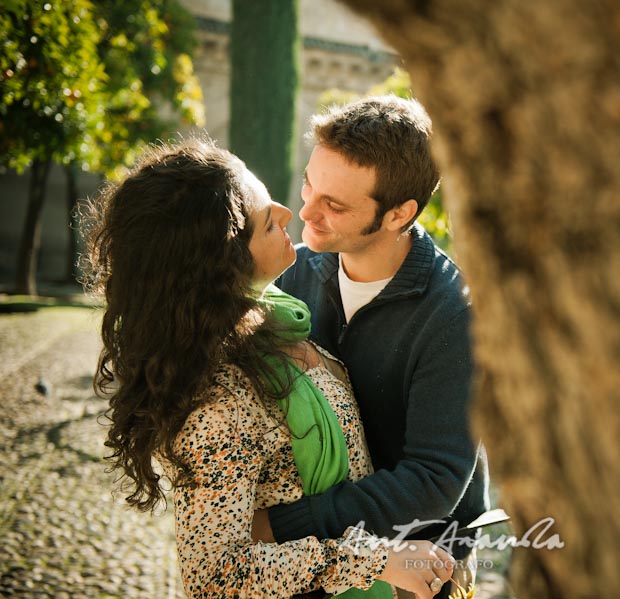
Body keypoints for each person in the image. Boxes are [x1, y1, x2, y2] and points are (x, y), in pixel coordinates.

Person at [82, 137, 455, 599]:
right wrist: (373, 559)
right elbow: (215, 575)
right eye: (265, 221)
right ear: (223, 264)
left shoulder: (274, 316)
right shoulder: (217, 397)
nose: (286, 212)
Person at [254, 96, 489, 598]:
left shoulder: (455, 315)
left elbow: (434, 480)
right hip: (317, 553)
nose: (305, 212)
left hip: (418, 552)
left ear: (398, 214)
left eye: (333, 205)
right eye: (310, 185)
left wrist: (280, 525)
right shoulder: (292, 271)